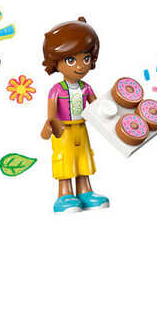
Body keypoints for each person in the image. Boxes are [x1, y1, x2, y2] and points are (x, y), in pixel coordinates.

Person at [40, 17, 109, 214]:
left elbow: (97, 107)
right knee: (65, 160)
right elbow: (51, 114)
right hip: (63, 131)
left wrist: (109, 112)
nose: (80, 66)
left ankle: (85, 192)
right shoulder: (56, 90)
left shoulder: (86, 88)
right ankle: (64, 195)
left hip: (81, 128)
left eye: (86, 59)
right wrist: (50, 125)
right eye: (71, 60)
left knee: (83, 158)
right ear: (55, 62)